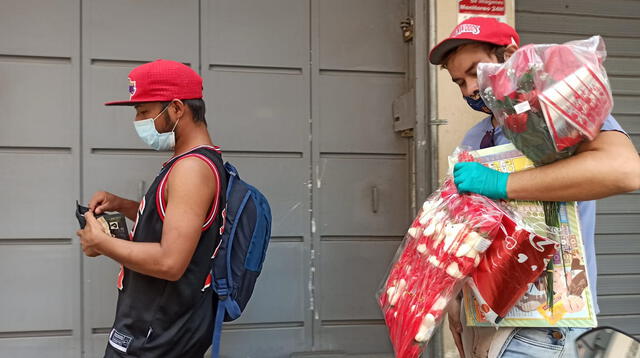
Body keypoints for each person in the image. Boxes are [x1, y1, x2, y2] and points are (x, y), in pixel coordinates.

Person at [428, 17, 640, 358]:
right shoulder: (476, 139)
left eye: (474, 72)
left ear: (509, 55)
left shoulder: (557, 111)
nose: (468, 88)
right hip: (489, 324)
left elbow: (625, 171)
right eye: (458, 82)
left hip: (552, 324)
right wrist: (455, 299)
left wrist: (503, 183)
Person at [77, 59, 226, 357]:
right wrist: (123, 205)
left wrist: (101, 242)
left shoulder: (191, 169)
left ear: (176, 108)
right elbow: (178, 222)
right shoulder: (190, 163)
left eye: (144, 111)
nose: (138, 120)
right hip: (151, 329)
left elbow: (170, 263)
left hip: (158, 337)